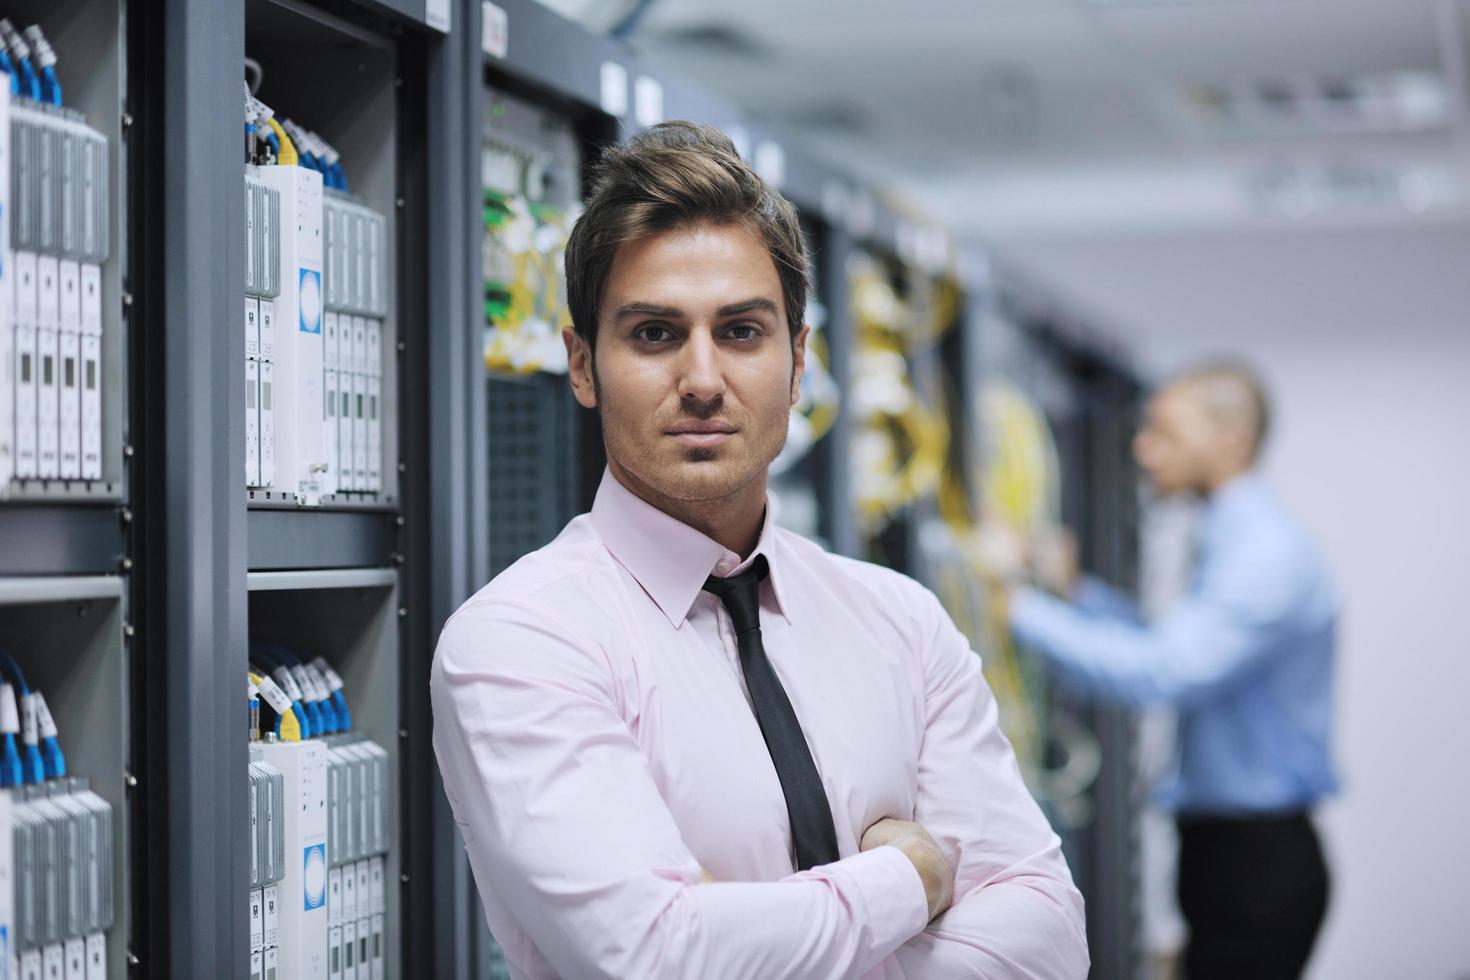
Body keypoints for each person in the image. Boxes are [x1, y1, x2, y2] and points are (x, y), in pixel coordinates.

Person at [432, 121, 1088, 980]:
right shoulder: (521, 643)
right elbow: (657, 957)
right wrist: (912, 877)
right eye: (655, 334)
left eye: (741, 331)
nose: (702, 380)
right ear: (583, 366)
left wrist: (748, 930)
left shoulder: (901, 624)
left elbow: (1047, 936)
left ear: (798, 363)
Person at [1006, 362, 1337, 980]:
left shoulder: (1265, 555)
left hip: (1256, 861)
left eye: (1165, 431)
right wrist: (1074, 596)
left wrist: (1015, 608)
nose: (1143, 447)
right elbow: (1169, 643)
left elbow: (1166, 672)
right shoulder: (1233, 537)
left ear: (1231, 439)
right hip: (1232, 854)